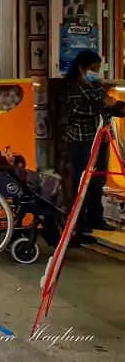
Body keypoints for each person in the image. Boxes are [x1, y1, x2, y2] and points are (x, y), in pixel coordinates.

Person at [60, 50, 125, 237]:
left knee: (98, 181)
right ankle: (79, 224)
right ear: (82, 67)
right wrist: (105, 104)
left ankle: (97, 218)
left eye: (97, 68)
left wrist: (116, 107)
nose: (96, 72)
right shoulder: (71, 87)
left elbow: (108, 106)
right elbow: (80, 110)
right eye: (93, 68)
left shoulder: (96, 85)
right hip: (81, 141)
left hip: (101, 140)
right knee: (81, 183)